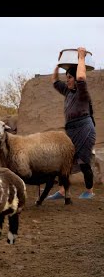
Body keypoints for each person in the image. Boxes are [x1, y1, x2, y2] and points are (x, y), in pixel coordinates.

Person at [47, 47, 96, 200]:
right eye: (66, 76)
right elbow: (55, 81)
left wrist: (81, 57)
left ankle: (89, 190)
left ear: (75, 79)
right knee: (64, 161)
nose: (67, 79)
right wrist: (59, 63)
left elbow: (81, 76)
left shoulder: (81, 91)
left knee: (83, 161)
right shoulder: (67, 91)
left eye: (69, 77)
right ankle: (62, 191)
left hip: (85, 129)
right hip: (71, 130)